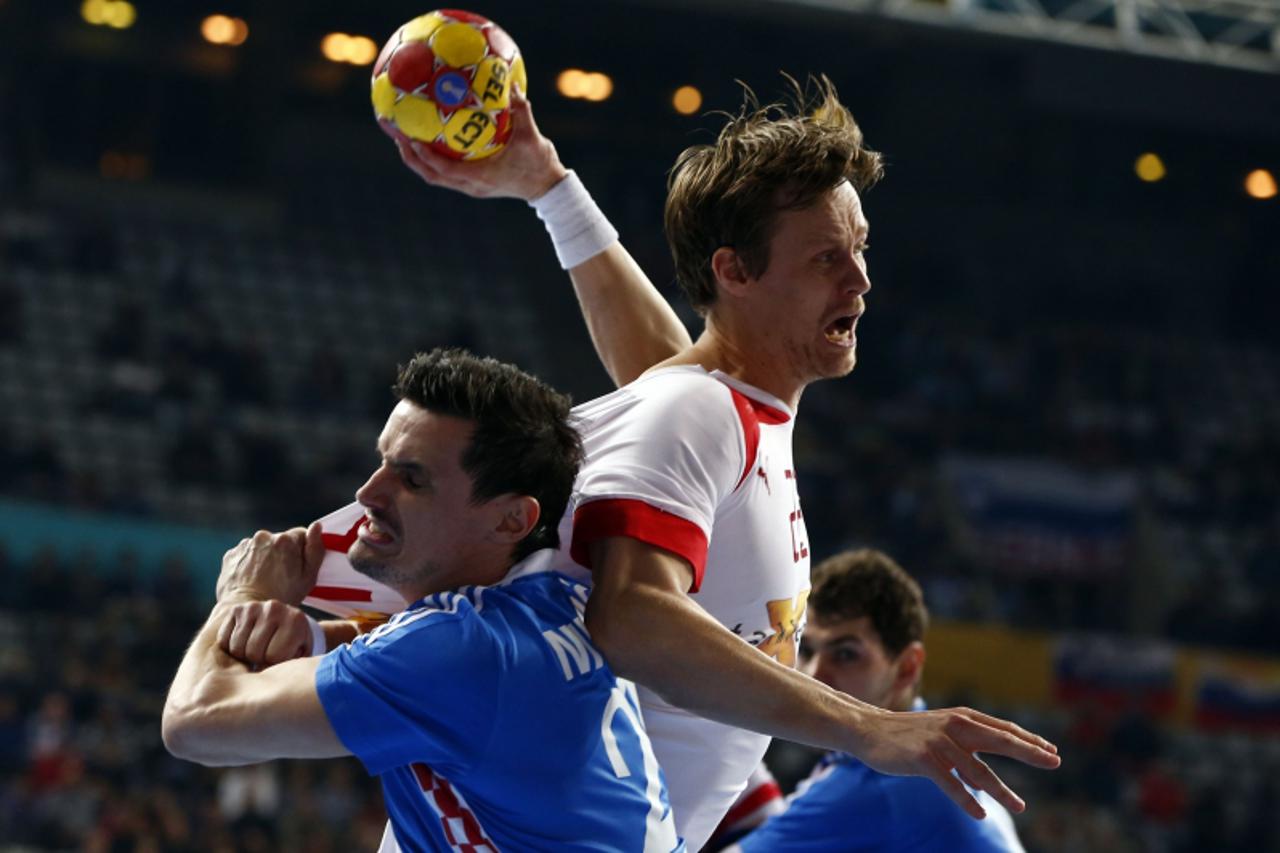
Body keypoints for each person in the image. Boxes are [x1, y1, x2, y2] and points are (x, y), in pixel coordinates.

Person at [349, 75, 1061, 849]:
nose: (860, 279)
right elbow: (631, 614)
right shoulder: (697, 412)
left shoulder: (712, 404)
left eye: (859, 248)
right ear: (735, 272)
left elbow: (669, 370)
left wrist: (554, 192)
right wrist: (870, 727)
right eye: (828, 257)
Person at [163, 348, 683, 853]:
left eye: (412, 479)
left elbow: (194, 722)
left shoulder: (455, 651)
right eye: (382, 462)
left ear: (509, 520)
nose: (368, 492)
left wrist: (242, 595)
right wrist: (320, 638)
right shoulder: (559, 595)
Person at [716, 549, 1026, 851]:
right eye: (806, 650)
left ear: (906, 668)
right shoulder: (930, 768)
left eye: (846, 655)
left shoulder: (882, 786)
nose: (812, 674)